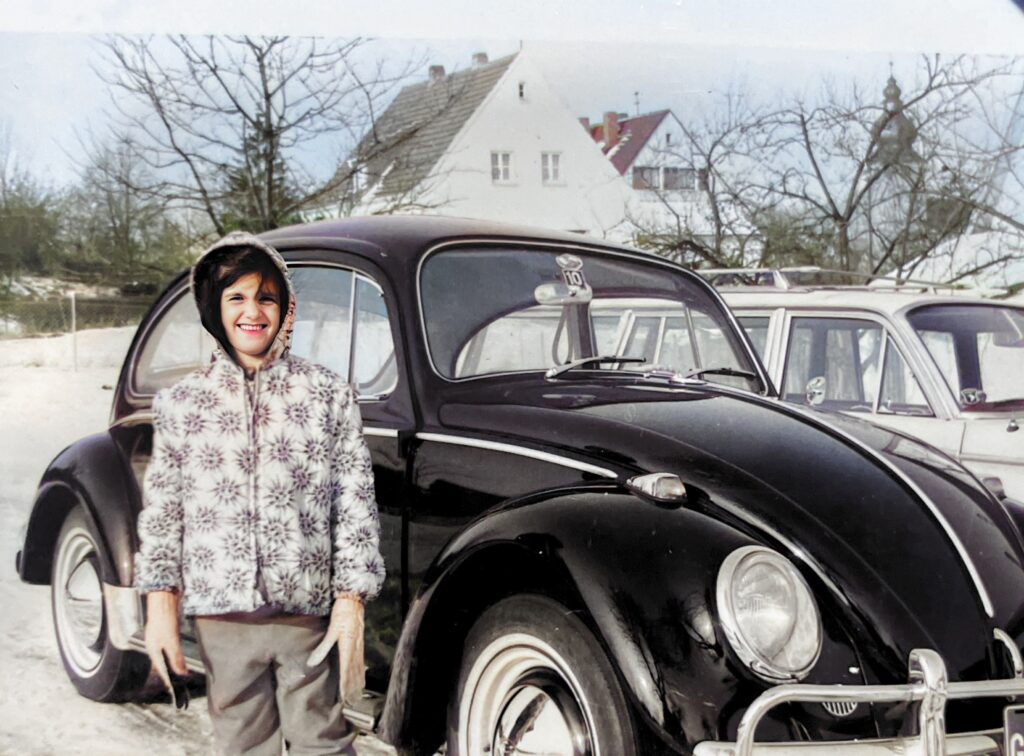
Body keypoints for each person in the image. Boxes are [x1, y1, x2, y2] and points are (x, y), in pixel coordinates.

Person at [134, 231, 385, 755]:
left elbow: (355, 502)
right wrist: (160, 607)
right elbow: (163, 513)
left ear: (284, 306)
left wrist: (350, 604)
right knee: (243, 743)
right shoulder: (184, 404)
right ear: (214, 309)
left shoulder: (325, 395)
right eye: (237, 297)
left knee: (323, 740)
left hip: (306, 617)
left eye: (266, 297)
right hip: (222, 619)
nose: (253, 311)